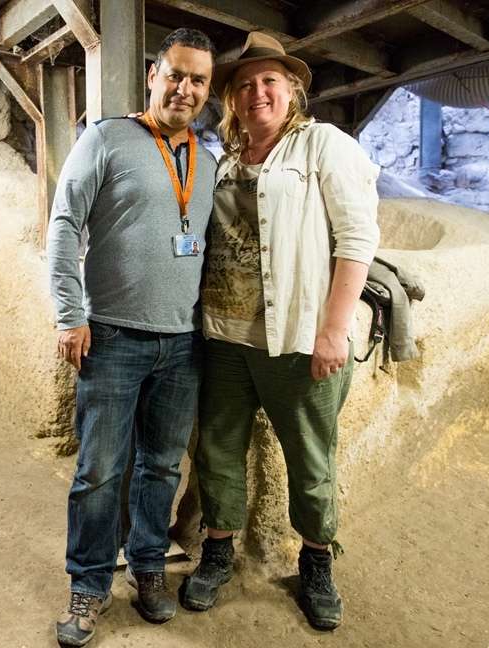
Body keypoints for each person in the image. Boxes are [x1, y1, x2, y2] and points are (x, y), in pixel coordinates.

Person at [179, 32, 380, 631]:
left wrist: (334, 330)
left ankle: (316, 561)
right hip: (224, 336)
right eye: (244, 85)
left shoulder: (322, 146)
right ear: (232, 100)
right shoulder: (224, 160)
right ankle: (218, 552)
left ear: (291, 89)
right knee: (217, 450)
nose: (257, 92)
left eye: (269, 81)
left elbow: (358, 238)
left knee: (311, 458)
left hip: (294, 340)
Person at [46, 28, 218, 647]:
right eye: (175, 74)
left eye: (198, 79)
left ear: (207, 89)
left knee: (161, 466)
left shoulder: (209, 160)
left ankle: (148, 567)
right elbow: (64, 224)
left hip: (183, 342)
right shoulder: (106, 138)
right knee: (99, 470)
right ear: (153, 75)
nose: (185, 88)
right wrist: (70, 315)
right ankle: (89, 585)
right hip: (113, 336)